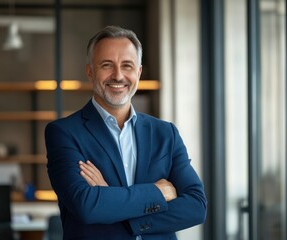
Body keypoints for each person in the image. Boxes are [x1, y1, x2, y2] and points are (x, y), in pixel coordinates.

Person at [45, 25, 207, 240]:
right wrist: (157, 193)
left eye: (127, 66)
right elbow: (87, 206)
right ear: (90, 71)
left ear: (138, 72)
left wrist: (111, 200)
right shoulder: (64, 133)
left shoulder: (165, 133)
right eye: (106, 65)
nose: (118, 75)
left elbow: (196, 206)